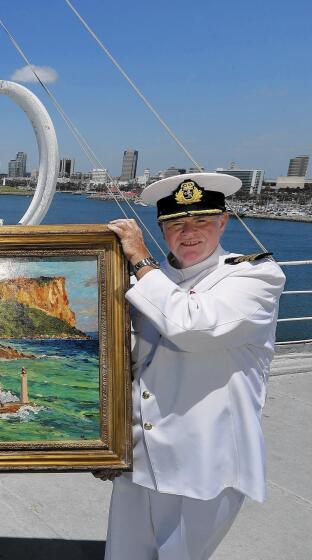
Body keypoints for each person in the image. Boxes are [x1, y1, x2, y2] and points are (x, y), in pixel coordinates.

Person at [101, 173, 285, 560]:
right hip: (142, 453)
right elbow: (126, 364)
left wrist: (139, 258)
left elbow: (191, 326)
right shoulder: (157, 281)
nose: (189, 232)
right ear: (162, 228)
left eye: (201, 220)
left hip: (206, 462)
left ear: (223, 223)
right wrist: (105, 444)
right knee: (123, 555)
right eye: (176, 223)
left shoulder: (255, 276)